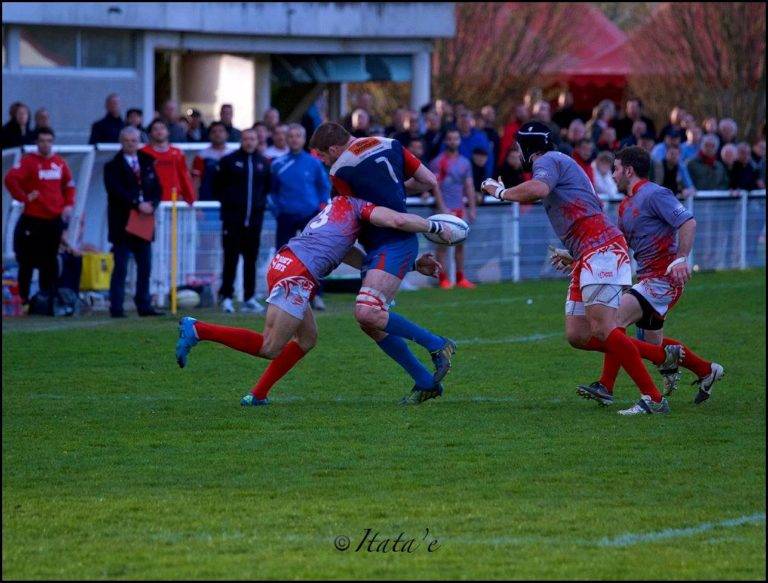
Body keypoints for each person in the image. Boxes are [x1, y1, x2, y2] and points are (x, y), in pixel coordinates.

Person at [175, 196, 454, 406]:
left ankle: (258, 395)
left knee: (307, 339)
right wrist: (436, 226)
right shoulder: (357, 206)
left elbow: (351, 256)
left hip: (290, 266)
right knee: (270, 346)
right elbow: (398, 221)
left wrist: (413, 266)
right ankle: (198, 329)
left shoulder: (337, 209)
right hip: (296, 274)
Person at [481, 121, 675, 415]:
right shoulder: (558, 161)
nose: (517, 151)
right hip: (588, 251)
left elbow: (538, 189)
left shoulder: (547, 160)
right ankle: (662, 355)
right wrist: (573, 252)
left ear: (528, 147)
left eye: (518, 146)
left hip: (601, 247)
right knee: (578, 334)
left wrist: (500, 191)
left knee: (604, 328)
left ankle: (653, 397)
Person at [309, 122, 457, 405]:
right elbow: (429, 180)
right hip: (390, 245)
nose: (324, 162)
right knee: (370, 323)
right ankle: (425, 382)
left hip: (392, 241)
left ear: (333, 149)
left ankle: (438, 344)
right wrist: (394, 190)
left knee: (367, 311)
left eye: (322, 156)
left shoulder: (340, 171)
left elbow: (348, 220)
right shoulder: (390, 144)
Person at [571, 147, 723, 407]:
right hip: (647, 279)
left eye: (616, 168)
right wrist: (578, 256)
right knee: (654, 344)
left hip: (663, 280)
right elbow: (619, 243)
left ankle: (607, 386)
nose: (614, 174)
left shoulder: (655, 194)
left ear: (628, 170)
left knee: (613, 321)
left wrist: (681, 258)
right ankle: (706, 370)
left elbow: (688, 222)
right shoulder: (625, 205)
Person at [4, 128, 75, 306]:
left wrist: (68, 204)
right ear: (36, 143)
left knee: (50, 260)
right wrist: (23, 197)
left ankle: (46, 298)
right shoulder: (29, 162)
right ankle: (24, 298)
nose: (46, 144)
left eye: (49, 140)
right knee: (26, 261)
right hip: (33, 218)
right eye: (42, 140)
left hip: (53, 219)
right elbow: (10, 179)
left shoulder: (59, 163)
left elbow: (69, 184)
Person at [104, 127, 163, 318]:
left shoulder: (147, 162)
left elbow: (157, 188)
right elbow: (116, 191)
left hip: (144, 223)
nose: (131, 143)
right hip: (123, 224)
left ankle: (144, 305)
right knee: (120, 267)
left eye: (134, 140)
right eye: (127, 140)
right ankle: (117, 307)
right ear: (122, 142)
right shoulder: (112, 166)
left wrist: (152, 204)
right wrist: (138, 203)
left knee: (145, 266)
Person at [214, 128, 271, 314]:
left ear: (257, 140)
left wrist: (260, 207)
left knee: (251, 260)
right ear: (241, 140)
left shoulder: (263, 162)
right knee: (230, 259)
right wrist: (230, 206)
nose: (249, 141)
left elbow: (267, 188)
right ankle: (227, 297)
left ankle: (249, 297)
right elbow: (217, 187)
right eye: (246, 138)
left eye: (253, 138)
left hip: (254, 222)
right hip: (232, 221)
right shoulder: (229, 161)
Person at [430, 129, 478, 290]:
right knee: (442, 245)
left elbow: (469, 185)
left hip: (459, 209)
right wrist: (442, 207)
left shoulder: (465, 162)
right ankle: (442, 278)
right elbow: (435, 186)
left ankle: (460, 277)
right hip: (444, 210)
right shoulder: (438, 162)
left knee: (460, 244)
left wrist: (471, 207)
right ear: (445, 141)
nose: (452, 141)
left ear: (459, 141)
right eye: (449, 138)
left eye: (455, 138)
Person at [140, 119, 196, 204]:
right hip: (150, 202)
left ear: (168, 132)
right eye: (155, 129)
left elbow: (184, 176)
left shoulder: (177, 153)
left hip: (174, 200)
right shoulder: (143, 152)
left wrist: (191, 199)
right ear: (150, 133)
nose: (159, 131)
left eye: (162, 128)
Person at [190, 121, 234, 201]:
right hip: (206, 200)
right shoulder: (201, 156)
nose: (217, 134)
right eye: (214, 131)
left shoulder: (234, 155)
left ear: (227, 134)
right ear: (209, 135)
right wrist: (196, 205)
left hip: (230, 201)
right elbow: (195, 181)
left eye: (221, 131)